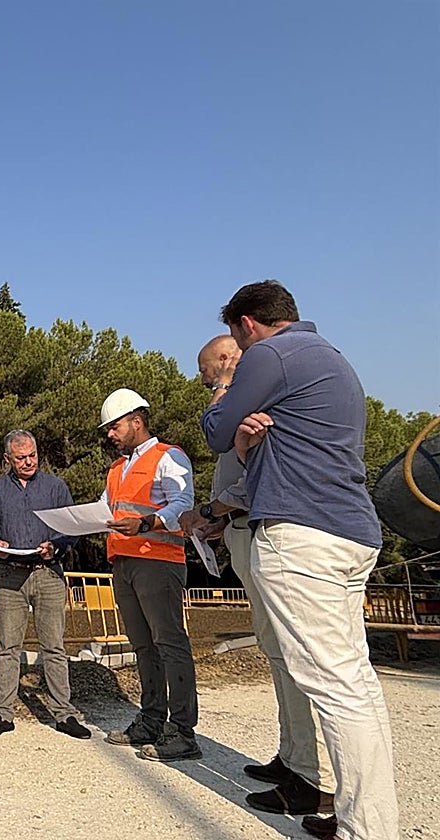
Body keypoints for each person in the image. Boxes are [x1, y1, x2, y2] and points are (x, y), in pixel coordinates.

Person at [201, 280, 397, 840]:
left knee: (335, 689)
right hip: (350, 531)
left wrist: (224, 404)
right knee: (354, 684)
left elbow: (215, 431)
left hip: (301, 533)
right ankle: (364, 817)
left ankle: (366, 830)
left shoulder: (271, 354)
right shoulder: (333, 359)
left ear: (247, 325)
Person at [180, 335, 336, 817]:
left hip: (270, 531)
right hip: (245, 531)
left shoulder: (256, 403)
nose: (206, 384)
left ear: (227, 360)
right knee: (276, 652)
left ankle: (311, 776)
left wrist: (212, 509)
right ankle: (293, 759)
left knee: (296, 656)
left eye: (208, 373)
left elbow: (257, 479)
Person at [97, 389, 200, 761]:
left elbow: (182, 504)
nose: (110, 434)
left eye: (115, 426)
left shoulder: (167, 456)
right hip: (123, 564)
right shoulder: (115, 469)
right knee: (143, 645)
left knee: (170, 644)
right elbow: (108, 510)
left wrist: (145, 522)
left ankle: (183, 730)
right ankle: (151, 719)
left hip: (158, 561)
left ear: (136, 422)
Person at [0, 429, 91, 740]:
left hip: (49, 572)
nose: (29, 461)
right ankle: (3, 713)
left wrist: (58, 546)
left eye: (33, 455)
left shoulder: (55, 486)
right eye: (21, 457)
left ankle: (64, 714)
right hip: (9, 575)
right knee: (8, 648)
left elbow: (73, 527)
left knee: (54, 646)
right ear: (7, 459)